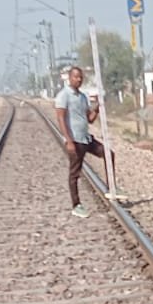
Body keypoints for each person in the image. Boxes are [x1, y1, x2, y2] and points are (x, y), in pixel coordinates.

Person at [54, 65, 103, 218]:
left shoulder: (82, 97)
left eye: (80, 77)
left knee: (108, 154)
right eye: (76, 77)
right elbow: (61, 118)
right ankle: (76, 205)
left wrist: (97, 108)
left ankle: (112, 188)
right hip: (74, 140)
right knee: (75, 173)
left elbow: (90, 119)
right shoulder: (63, 96)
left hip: (85, 138)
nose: (79, 79)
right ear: (69, 78)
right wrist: (68, 141)